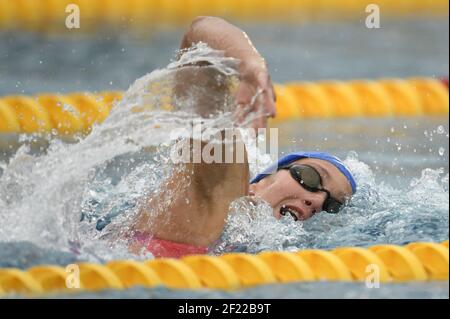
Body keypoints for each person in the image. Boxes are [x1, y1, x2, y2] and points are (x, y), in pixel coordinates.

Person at [128, 17, 356, 258]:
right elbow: (199, 34)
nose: (318, 200)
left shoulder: (255, 249)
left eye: (333, 206)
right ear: (261, 181)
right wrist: (249, 65)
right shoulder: (222, 194)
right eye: (311, 177)